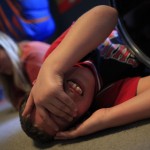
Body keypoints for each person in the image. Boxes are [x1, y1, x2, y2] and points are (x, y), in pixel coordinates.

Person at [19, 5, 150, 143]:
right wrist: (105, 117)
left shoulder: (53, 58)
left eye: (49, 99)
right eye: (64, 112)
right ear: (83, 118)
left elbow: (107, 14)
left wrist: (51, 68)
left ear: (39, 84)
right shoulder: (107, 98)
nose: (64, 96)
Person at [0, 31, 50, 109]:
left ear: (4, 46)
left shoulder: (31, 57)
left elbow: (44, 97)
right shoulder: (12, 66)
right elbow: (18, 102)